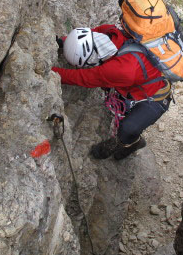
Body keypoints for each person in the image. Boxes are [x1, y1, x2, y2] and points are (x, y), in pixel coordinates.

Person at [53, 25, 171, 160]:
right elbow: (85, 37)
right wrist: (65, 42)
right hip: (146, 79)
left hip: (156, 97)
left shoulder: (119, 70)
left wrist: (51, 72)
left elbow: (82, 77)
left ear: (91, 59)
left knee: (128, 129)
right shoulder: (110, 32)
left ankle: (132, 143)